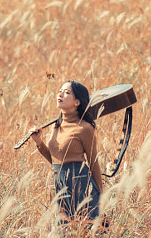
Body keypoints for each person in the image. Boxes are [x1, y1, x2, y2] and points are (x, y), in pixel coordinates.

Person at [28, 81, 104, 221]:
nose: (60, 94)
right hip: (61, 185)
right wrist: (39, 142)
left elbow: (94, 163)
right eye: (60, 91)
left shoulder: (85, 128)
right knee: (65, 233)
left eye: (67, 92)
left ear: (77, 102)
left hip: (81, 185)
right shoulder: (56, 126)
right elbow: (55, 160)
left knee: (87, 232)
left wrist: (101, 197)